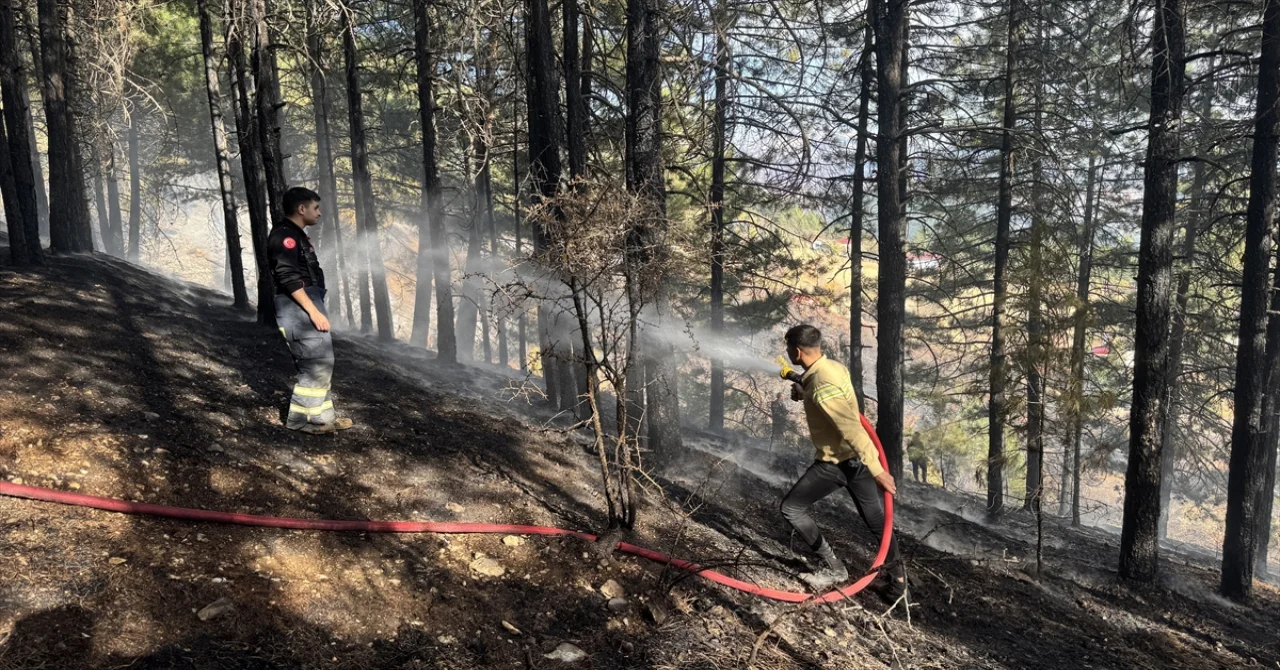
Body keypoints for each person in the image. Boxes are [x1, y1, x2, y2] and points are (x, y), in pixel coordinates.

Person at [779, 324, 906, 598]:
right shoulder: (831, 369)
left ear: (797, 352)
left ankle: (834, 568)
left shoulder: (822, 384)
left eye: (789, 349)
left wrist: (878, 470)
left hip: (836, 463)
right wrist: (804, 392)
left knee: (791, 509)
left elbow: (849, 427)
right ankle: (899, 585)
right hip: (856, 459)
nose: (788, 353)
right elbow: (834, 399)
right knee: (876, 521)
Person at [268, 186, 354, 434]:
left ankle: (322, 417)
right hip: (298, 307)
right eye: (316, 208)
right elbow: (287, 277)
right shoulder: (285, 236)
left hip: (308, 303)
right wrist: (313, 312)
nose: (319, 213)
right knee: (315, 364)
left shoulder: (297, 235)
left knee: (323, 361)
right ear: (301, 208)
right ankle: (299, 420)